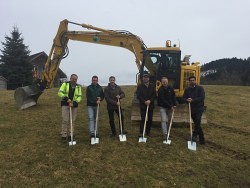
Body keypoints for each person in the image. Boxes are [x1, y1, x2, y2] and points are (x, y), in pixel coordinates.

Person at [58, 74, 82, 142]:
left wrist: (74, 103)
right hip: (65, 104)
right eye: (73, 79)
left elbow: (79, 96)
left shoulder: (78, 87)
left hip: (74, 105)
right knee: (65, 120)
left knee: (72, 120)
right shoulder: (65, 84)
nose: (74, 80)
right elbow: (60, 93)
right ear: (70, 78)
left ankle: (71, 135)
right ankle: (64, 135)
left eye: (75, 79)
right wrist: (66, 99)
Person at [183, 75, 205, 144]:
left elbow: (202, 97)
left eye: (193, 80)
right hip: (191, 109)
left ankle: (195, 135)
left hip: (199, 108)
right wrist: (187, 100)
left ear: (195, 81)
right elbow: (183, 98)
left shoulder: (200, 88)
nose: (192, 81)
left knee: (198, 121)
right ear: (189, 82)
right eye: (191, 80)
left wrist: (193, 100)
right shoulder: (187, 90)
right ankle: (201, 138)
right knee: (197, 123)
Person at [157, 76, 177, 142]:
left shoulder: (170, 88)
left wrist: (174, 104)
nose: (164, 83)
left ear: (167, 82)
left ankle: (168, 132)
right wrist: (170, 106)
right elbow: (162, 100)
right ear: (161, 82)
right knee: (163, 120)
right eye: (163, 82)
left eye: (166, 82)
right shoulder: (160, 90)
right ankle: (165, 134)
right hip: (162, 107)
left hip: (170, 107)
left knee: (170, 120)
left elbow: (174, 96)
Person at [136, 71, 155, 137]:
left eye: (147, 77)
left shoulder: (152, 86)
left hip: (150, 105)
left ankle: (148, 132)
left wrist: (150, 100)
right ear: (142, 78)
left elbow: (154, 95)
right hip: (143, 105)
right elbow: (138, 95)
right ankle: (141, 132)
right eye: (144, 77)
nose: (145, 79)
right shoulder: (140, 86)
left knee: (150, 119)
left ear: (149, 79)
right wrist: (144, 101)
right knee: (143, 119)